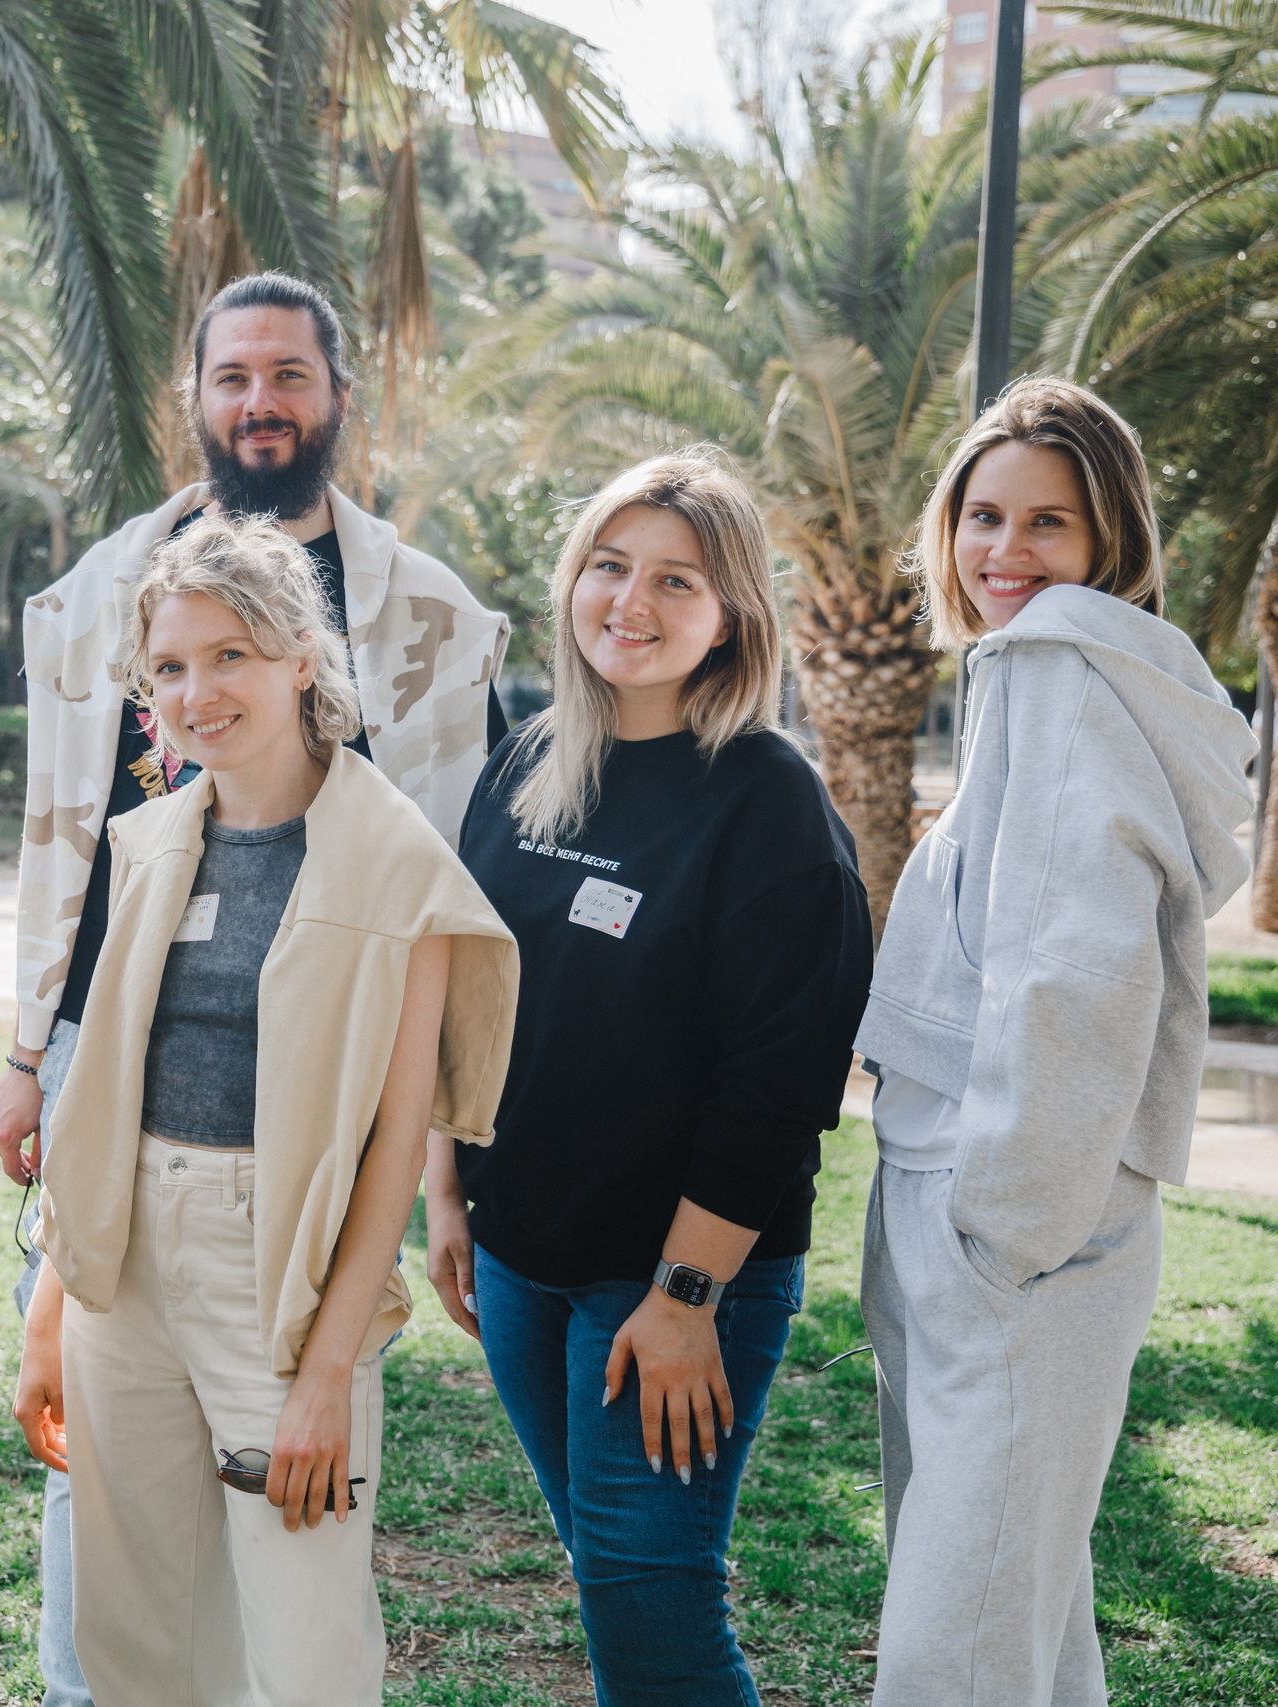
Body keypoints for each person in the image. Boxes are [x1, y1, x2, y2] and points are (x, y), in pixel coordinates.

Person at [0, 270, 511, 1705]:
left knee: (299, 1608)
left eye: (288, 374)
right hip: (120, 1158)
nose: (199, 690)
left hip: (303, 1152)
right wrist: (31, 1069)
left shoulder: (399, 765)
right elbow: (66, 876)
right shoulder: (141, 778)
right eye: (232, 376)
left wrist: (346, 1339)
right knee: (126, 1587)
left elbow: (399, 1097)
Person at [421, 451, 874, 1704]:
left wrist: (682, 1299)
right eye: (609, 566)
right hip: (518, 1259)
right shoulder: (523, 763)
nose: (631, 601)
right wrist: (447, 1195)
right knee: (611, 1574)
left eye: (677, 580)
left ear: (730, 614)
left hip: (675, 1279)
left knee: (649, 1599)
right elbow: (461, 993)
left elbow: (778, 1088)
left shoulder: (769, 803)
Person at [855, 379, 1256, 1706]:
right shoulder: (1044, 673)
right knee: (1018, 1618)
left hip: (1015, 1226)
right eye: (983, 516)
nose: (1004, 551)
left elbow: (1075, 969)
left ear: (1111, 537)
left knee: (955, 1648)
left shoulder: (1059, 675)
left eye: (1048, 522)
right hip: (997, 1207)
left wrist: (1004, 1225)